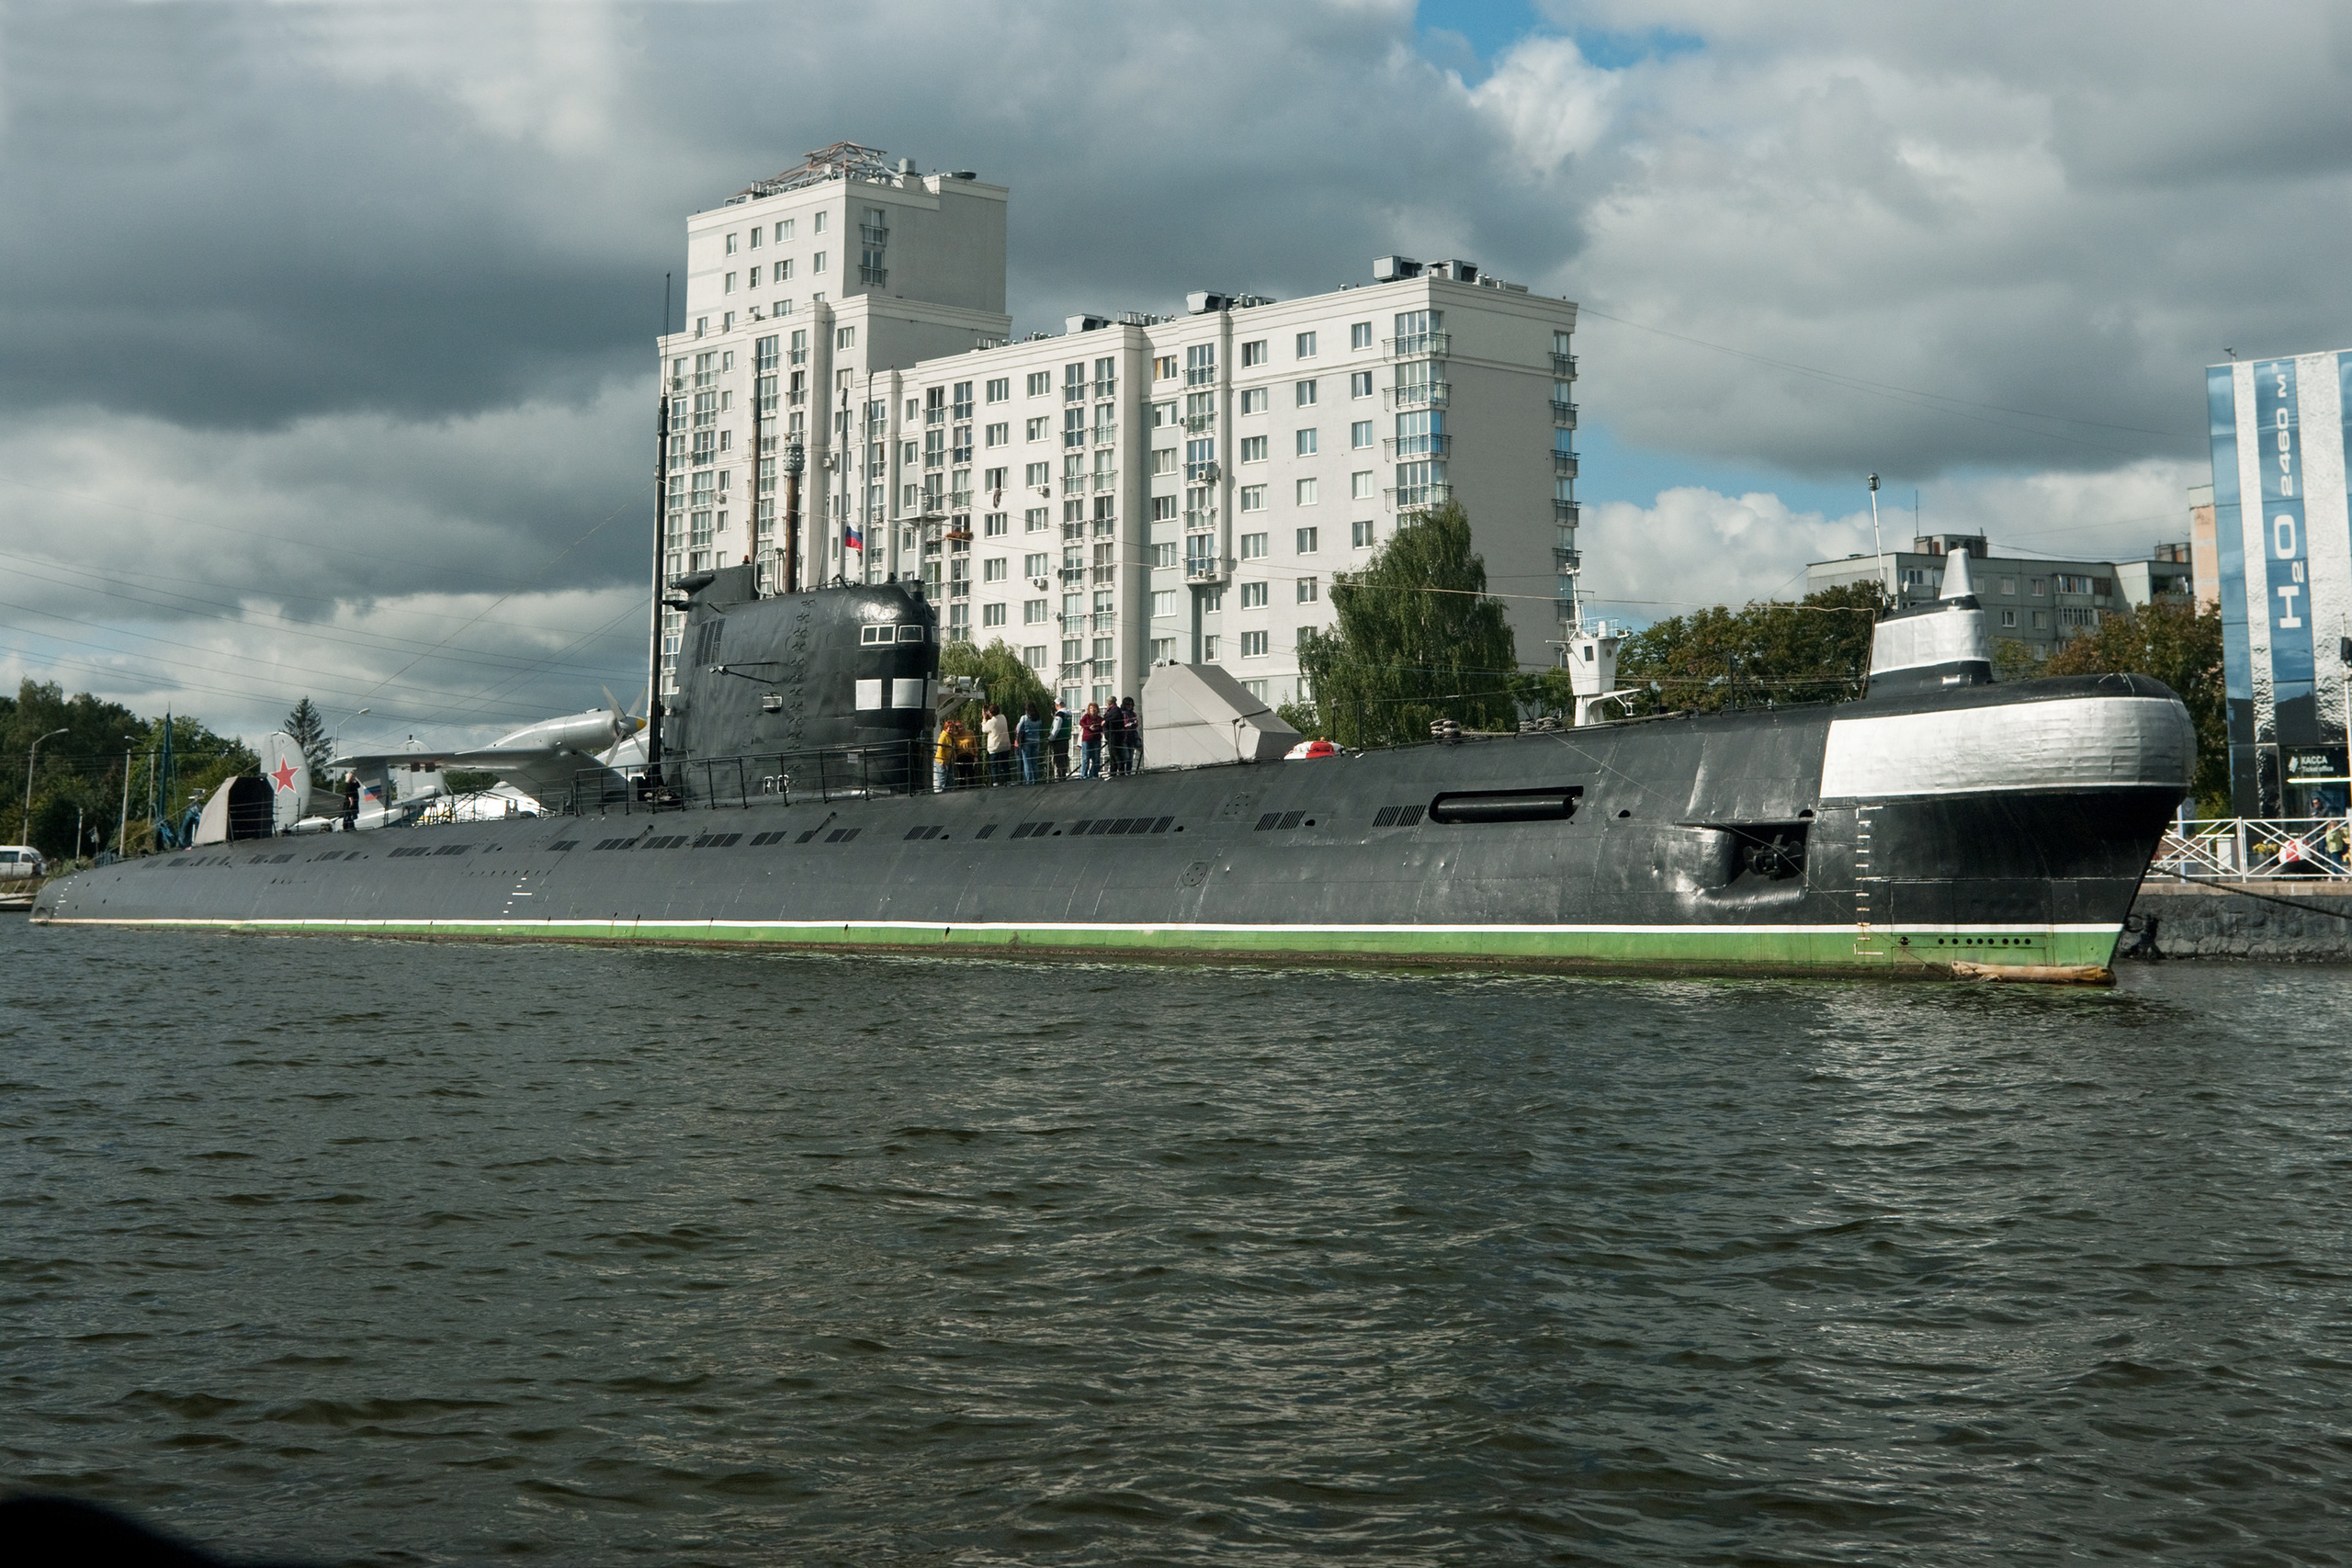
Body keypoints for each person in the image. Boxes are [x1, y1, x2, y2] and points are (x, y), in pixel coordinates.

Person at [982, 703, 1013, 786]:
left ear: (989, 712)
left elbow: (984, 729)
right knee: (1005, 764)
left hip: (994, 747)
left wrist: (984, 718)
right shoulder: (1003, 717)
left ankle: (995, 782)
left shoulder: (990, 722)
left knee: (994, 765)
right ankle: (1008, 781)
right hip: (1005, 745)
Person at [1016, 703, 1043, 785]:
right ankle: (1035, 780)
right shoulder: (1038, 718)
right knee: (1034, 762)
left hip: (1027, 742)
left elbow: (1018, 729)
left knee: (1027, 762)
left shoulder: (1024, 718)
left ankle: (1029, 781)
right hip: (1036, 741)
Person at [1102, 697, 1128, 777]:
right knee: (1113, 754)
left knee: (1116, 753)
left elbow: (1114, 718)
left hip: (1115, 735)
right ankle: (1113, 771)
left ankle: (1120, 771)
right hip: (1111, 735)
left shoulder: (1115, 710)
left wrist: (1106, 721)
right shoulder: (1112, 710)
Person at [955, 716, 982, 791]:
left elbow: (974, 744)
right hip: (960, 756)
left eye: (963, 726)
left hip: (970, 755)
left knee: (971, 773)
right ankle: (962, 789)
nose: (962, 728)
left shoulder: (970, 733)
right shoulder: (955, 736)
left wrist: (976, 755)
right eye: (960, 727)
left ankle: (972, 789)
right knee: (962, 774)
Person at [1048, 699, 1072, 781]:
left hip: (1059, 739)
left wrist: (1050, 738)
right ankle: (1063, 774)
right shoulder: (1069, 713)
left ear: (1057, 705)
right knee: (1064, 757)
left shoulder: (1059, 714)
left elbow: (1056, 728)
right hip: (1066, 738)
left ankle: (1060, 776)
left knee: (1059, 758)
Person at [1079, 701, 1103, 779]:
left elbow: (1102, 727)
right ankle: (1083, 775)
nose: (1093, 710)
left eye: (1094, 708)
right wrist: (1089, 726)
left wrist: (1097, 727)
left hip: (1096, 739)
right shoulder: (1086, 716)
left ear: (1097, 709)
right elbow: (1081, 722)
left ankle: (1093, 774)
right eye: (1091, 708)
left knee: (1096, 758)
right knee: (1086, 758)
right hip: (1087, 739)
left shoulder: (1100, 719)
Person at [933, 720, 959, 793]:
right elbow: (940, 749)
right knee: (942, 780)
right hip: (942, 761)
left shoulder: (950, 736)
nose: (951, 729)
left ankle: (948, 793)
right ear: (945, 728)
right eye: (950, 728)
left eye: (952, 728)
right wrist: (942, 761)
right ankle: (941, 794)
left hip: (949, 761)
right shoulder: (943, 737)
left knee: (949, 779)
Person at [1119, 695, 1141, 773]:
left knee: (1130, 756)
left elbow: (1135, 725)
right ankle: (1122, 771)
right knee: (1126, 756)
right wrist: (1129, 724)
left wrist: (1133, 724)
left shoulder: (1133, 714)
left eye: (1131, 705)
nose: (1130, 706)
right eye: (1128, 704)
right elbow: (1124, 724)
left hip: (1132, 737)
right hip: (1124, 737)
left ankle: (1128, 772)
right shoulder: (1122, 714)